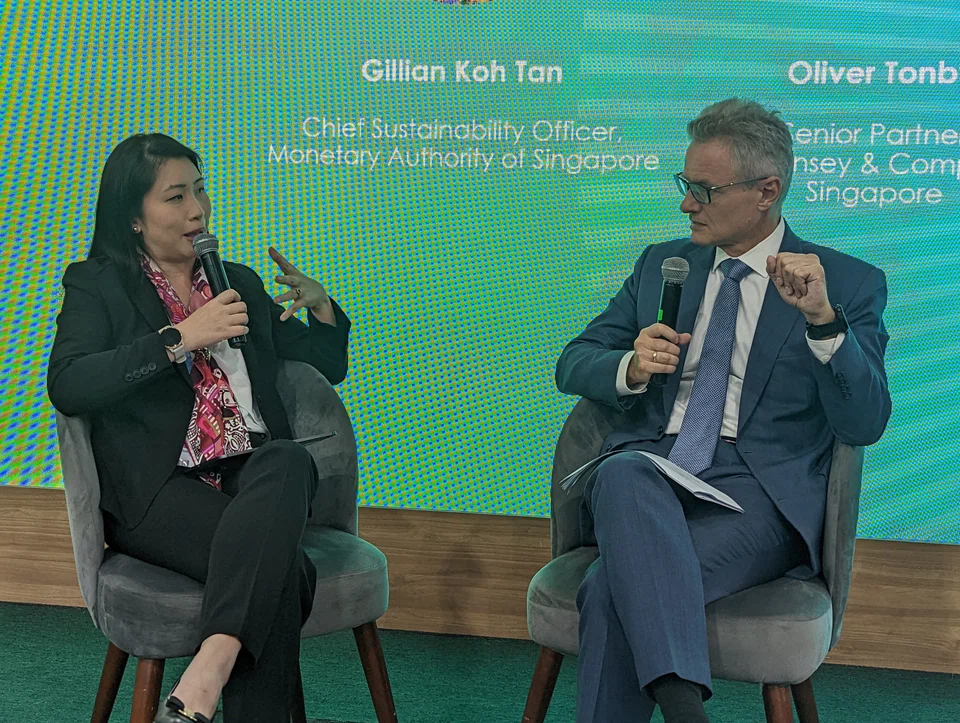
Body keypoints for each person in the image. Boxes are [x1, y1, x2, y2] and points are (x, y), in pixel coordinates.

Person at [555, 99, 890, 723]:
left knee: (608, 589)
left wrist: (823, 323)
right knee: (625, 470)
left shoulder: (844, 284)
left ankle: (682, 709)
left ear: (767, 191)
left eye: (703, 190)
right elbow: (573, 363)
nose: (687, 204)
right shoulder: (662, 265)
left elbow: (863, 422)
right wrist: (629, 364)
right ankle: (687, 711)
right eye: (685, 186)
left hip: (758, 495)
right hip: (653, 478)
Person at [47, 133, 351, 722]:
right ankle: (210, 685)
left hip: (258, 477)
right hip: (161, 489)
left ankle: (206, 673)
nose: (198, 210)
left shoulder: (237, 280)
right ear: (134, 217)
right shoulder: (98, 284)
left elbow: (327, 364)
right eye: (176, 197)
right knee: (282, 571)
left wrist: (321, 306)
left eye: (201, 191)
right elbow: (70, 383)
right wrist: (183, 337)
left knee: (291, 460)